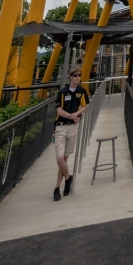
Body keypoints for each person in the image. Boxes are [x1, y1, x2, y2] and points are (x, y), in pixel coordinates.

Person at [53, 68, 89, 200]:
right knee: (60, 159)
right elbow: (59, 110)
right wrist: (72, 116)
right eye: (75, 75)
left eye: (79, 75)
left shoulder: (81, 91)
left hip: (73, 127)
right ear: (70, 77)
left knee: (64, 160)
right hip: (61, 127)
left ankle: (57, 187)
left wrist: (77, 114)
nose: (77, 77)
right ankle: (68, 178)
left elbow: (85, 106)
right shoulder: (62, 92)